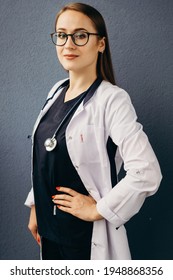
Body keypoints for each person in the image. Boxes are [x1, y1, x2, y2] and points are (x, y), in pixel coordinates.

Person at [25, 2, 162, 260]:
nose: (68, 44)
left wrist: (99, 209)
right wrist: (35, 205)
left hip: (85, 239)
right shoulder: (56, 92)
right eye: (62, 35)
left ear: (101, 43)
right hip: (49, 232)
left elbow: (147, 172)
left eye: (80, 35)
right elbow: (46, 157)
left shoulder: (112, 100)